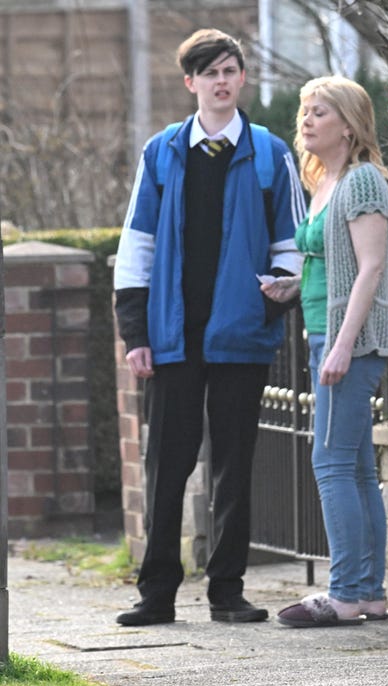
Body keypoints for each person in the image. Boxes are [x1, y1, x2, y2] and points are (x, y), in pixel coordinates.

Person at [113, 29, 304, 626]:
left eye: (230, 70)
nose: (222, 81)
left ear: (242, 78)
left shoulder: (271, 154)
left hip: (239, 337)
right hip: (172, 338)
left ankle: (227, 590)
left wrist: (269, 302)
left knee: (235, 464)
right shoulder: (162, 152)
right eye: (210, 73)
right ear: (191, 83)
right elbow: (136, 246)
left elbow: (292, 245)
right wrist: (135, 333)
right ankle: (157, 594)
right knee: (165, 466)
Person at [271, 76, 388, 628]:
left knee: (330, 463)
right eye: (304, 110)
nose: (306, 120)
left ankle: (344, 594)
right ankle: (368, 593)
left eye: (318, 111)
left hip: (351, 341)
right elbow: (337, 264)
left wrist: (342, 346)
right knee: (357, 468)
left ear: (347, 123)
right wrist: (293, 288)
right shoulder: (326, 180)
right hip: (327, 333)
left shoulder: (363, 180)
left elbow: (372, 266)